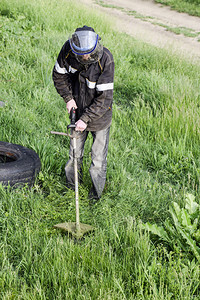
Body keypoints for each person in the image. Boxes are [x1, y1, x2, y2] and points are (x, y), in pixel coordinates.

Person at [52, 25, 114, 202]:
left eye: (89, 54)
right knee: (74, 157)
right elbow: (58, 75)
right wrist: (68, 98)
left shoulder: (106, 59)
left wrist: (86, 119)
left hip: (100, 117)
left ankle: (96, 196)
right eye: (82, 55)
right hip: (76, 112)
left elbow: (105, 99)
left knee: (98, 162)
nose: (86, 57)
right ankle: (73, 189)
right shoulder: (67, 51)